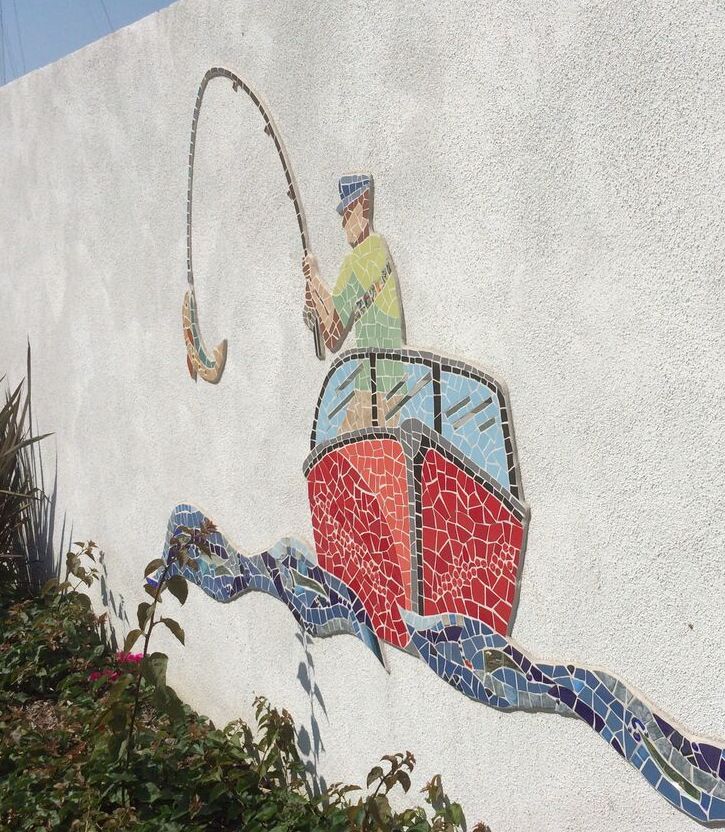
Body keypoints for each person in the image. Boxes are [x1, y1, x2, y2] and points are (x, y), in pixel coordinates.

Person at [303, 174, 405, 430]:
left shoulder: (361, 257)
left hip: (376, 392)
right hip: (385, 386)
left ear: (363, 205)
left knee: (340, 452)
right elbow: (332, 330)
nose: (343, 223)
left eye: (347, 212)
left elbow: (333, 334)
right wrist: (315, 290)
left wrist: (314, 279)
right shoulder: (377, 249)